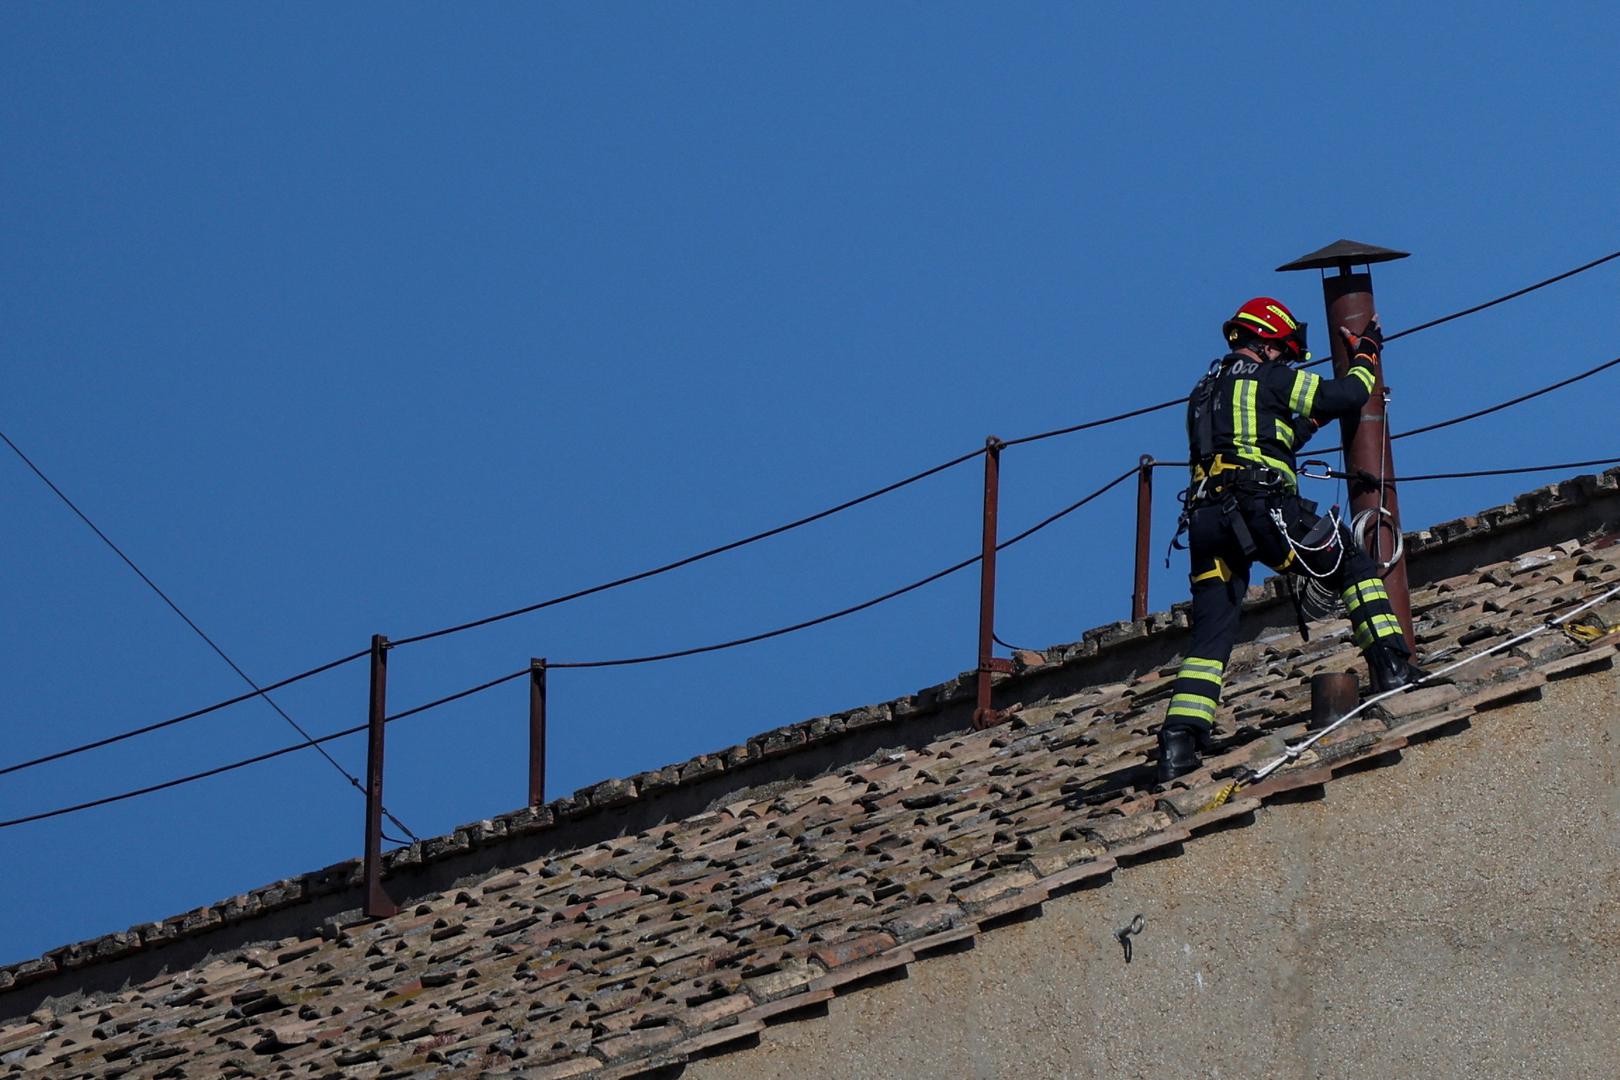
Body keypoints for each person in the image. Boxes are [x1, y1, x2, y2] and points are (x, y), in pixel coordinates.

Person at [1157, 296, 1424, 782]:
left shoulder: (1202, 392)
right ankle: (1393, 668)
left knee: (1212, 633)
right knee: (1354, 567)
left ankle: (1179, 743)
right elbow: (1345, 394)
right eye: (1285, 350)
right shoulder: (1269, 377)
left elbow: (1268, 436)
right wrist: (1365, 353)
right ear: (1267, 343)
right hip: (1262, 509)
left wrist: (1308, 423)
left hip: (1208, 523)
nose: (1288, 359)